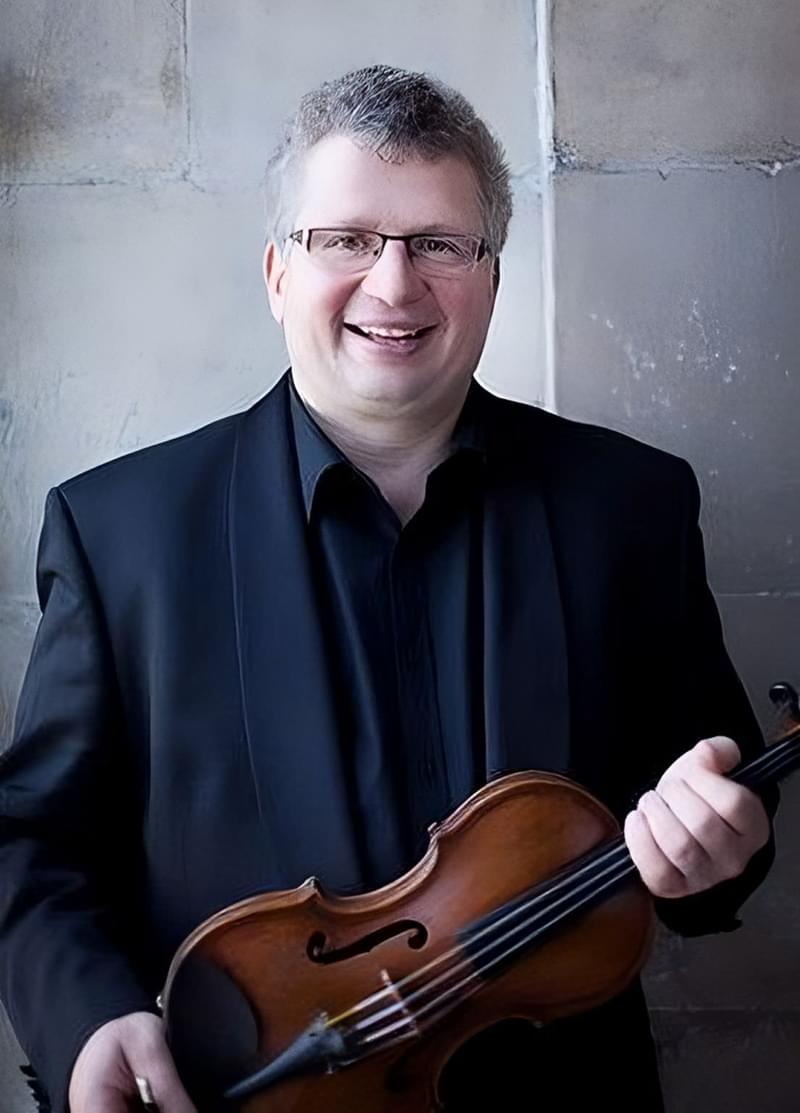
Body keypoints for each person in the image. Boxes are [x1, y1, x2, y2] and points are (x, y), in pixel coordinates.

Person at [0, 65, 776, 1113]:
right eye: (346, 240)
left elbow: (712, 802)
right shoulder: (122, 531)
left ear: (491, 279)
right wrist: (88, 1012)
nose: (393, 283)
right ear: (277, 272)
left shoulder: (626, 506)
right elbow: (35, 841)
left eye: (437, 244)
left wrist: (719, 849)